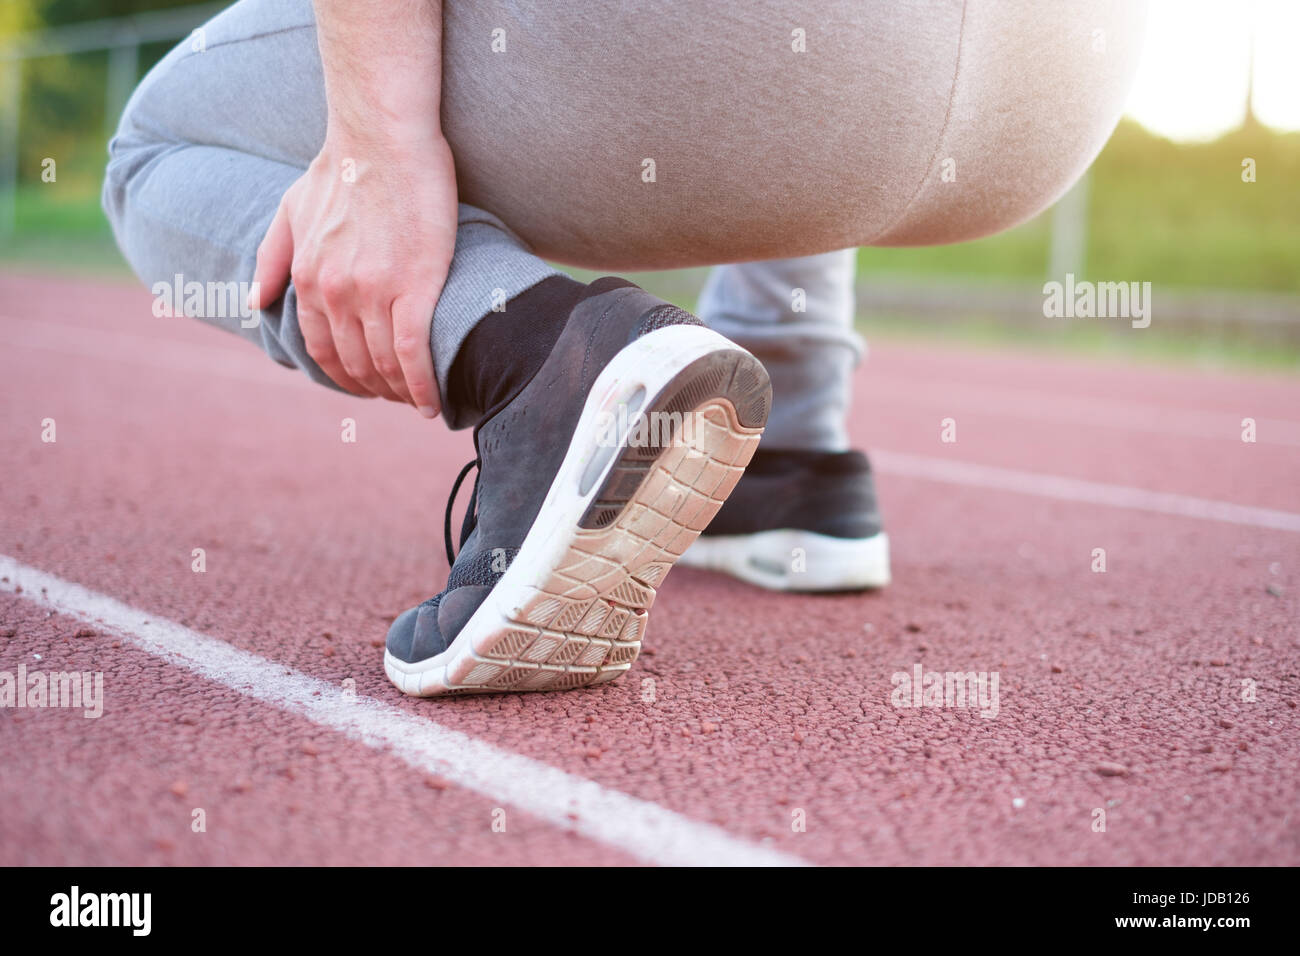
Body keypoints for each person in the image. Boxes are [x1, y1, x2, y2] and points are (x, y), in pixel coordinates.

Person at [102, 0, 1146, 696]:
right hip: (1053, 98)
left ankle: (544, 361)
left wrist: (375, 146)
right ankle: (785, 453)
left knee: (157, 143)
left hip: (769, 52)